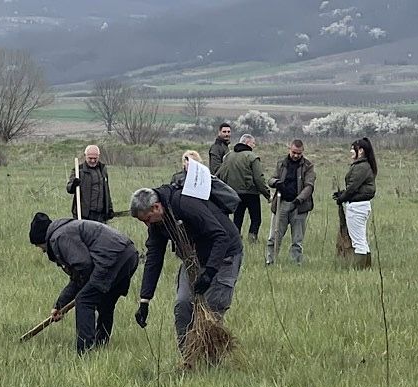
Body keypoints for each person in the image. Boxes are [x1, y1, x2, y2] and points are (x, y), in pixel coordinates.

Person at [129, 183, 243, 351]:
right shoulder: (157, 223)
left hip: (224, 255)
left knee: (211, 309)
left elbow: (221, 236)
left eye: (146, 219)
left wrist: (209, 273)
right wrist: (145, 300)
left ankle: (211, 361)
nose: (147, 225)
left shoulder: (185, 204)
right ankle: (188, 358)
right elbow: (154, 258)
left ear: (156, 207)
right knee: (183, 306)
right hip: (192, 260)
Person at [29, 212, 139, 354]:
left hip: (112, 259)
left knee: (84, 300)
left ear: (43, 239)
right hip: (128, 255)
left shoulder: (60, 237)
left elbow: (84, 267)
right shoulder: (66, 229)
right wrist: (60, 305)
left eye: (39, 247)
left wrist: (82, 290)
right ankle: (101, 345)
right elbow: (79, 276)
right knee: (105, 301)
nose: (43, 251)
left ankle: (85, 351)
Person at [265, 139, 317, 265]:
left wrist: (299, 200)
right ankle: (270, 261)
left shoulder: (308, 166)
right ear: (290, 149)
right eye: (294, 152)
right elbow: (271, 179)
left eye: (299, 153)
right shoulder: (281, 163)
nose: (296, 155)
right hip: (281, 204)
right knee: (274, 237)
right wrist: (276, 183)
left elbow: (309, 186)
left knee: (297, 240)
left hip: (299, 207)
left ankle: (296, 263)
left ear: (302, 152)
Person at [215, 134, 271, 242]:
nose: (254, 146)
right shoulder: (252, 157)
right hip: (251, 194)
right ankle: (252, 239)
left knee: (237, 219)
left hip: (234, 193)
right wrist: (268, 194)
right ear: (247, 143)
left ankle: (236, 239)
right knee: (256, 219)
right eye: (253, 143)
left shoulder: (228, 156)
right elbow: (259, 178)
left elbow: (220, 174)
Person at [332, 137, 378, 269]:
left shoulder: (361, 167)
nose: (351, 151)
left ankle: (359, 269)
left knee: (358, 242)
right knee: (361, 239)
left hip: (357, 207)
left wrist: (342, 198)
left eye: (353, 149)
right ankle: (367, 267)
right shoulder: (365, 165)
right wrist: (343, 195)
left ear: (361, 151)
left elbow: (352, 187)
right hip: (361, 206)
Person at [67, 145, 114, 222]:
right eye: (90, 158)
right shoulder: (79, 170)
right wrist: (74, 184)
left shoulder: (103, 170)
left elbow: (106, 191)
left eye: (95, 158)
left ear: (98, 156)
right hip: (84, 215)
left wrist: (109, 208)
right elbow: (69, 189)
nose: (92, 161)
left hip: (100, 216)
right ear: (85, 156)